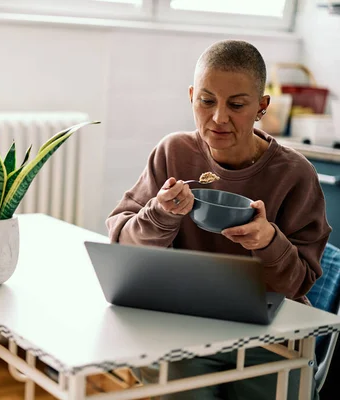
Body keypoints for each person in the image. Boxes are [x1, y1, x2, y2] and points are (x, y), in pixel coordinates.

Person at [105, 39, 331, 400]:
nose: (218, 118)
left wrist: (268, 241)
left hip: (269, 336)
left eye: (237, 105)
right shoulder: (174, 152)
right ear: (192, 95)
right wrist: (160, 215)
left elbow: (299, 284)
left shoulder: (295, 174)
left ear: (262, 107)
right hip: (185, 330)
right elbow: (121, 245)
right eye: (206, 101)